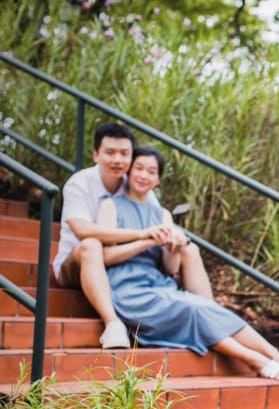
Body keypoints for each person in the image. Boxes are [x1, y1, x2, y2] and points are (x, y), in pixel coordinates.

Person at [95, 146, 279, 380]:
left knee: (206, 306)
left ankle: (278, 358)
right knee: (192, 310)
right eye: (139, 169)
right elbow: (106, 257)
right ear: (129, 172)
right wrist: (146, 239)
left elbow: (170, 269)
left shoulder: (162, 214)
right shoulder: (110, 206)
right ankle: (255, 360)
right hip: (127, 289)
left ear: (158, 179)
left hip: (159, 284)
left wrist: (174, 247)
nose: (144, 176)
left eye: (151, 171)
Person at [53, 123, 213, 349]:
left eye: (124, 154)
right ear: (96, 155)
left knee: (189, 247)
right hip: (78, 264)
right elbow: (82, 230)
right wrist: (141, 234)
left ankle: (212, 315)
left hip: (121, 267)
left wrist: (175, 236)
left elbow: (159, 222)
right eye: (110, 152)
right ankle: (113, 324)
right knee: (91, 245)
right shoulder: (80, 183)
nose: (117, 160)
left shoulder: (136, 185)